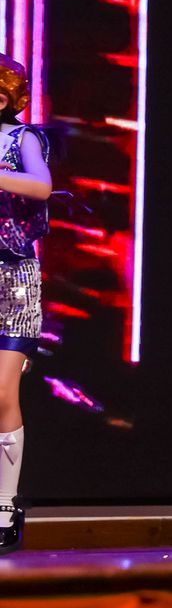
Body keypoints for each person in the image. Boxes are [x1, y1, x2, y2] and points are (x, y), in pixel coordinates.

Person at [0, 56, 51, 556]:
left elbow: (40, 185)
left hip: (13, 276)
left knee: (2, 392)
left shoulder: (21, 139)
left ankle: (4, 503)